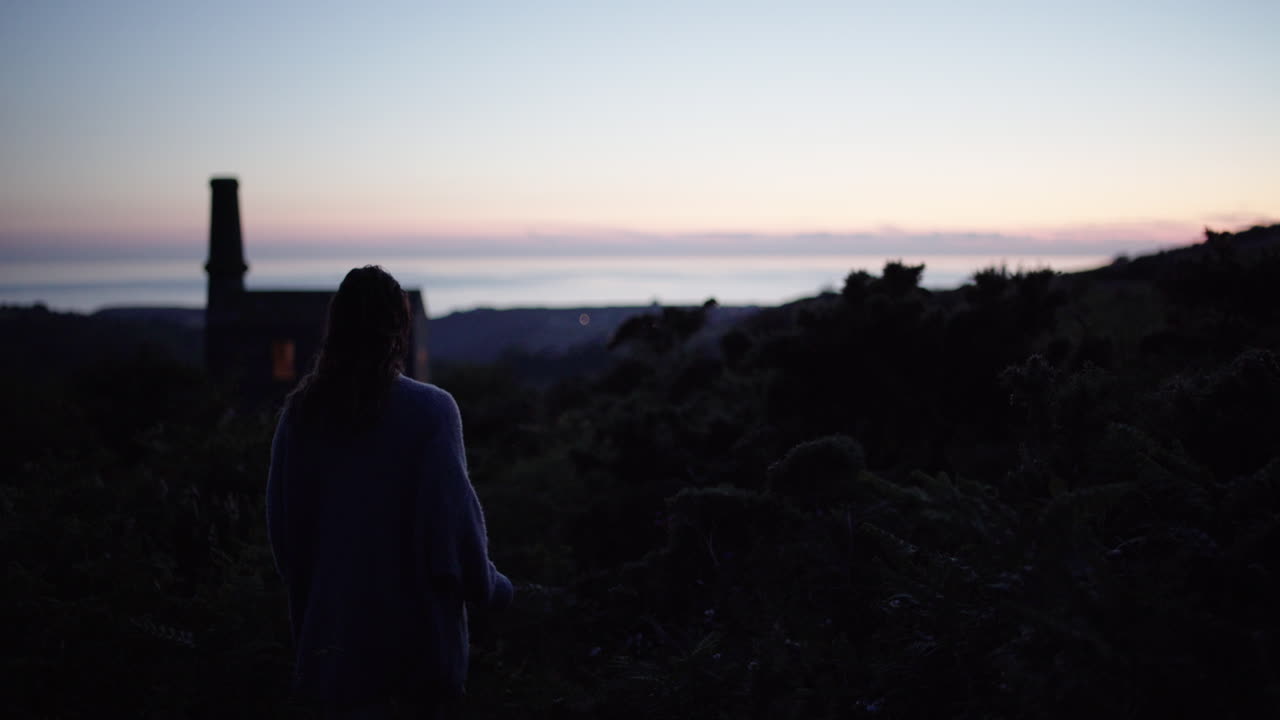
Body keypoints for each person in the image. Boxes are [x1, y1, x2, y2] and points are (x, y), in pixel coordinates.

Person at [267, 266, 514, 718]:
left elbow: (286, 538)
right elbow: (455, 540)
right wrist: (498, 592)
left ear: (335, 327)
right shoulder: (432, 411)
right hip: (417, 659)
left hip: (332, 656)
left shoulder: (301, 416)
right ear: (399, 329)